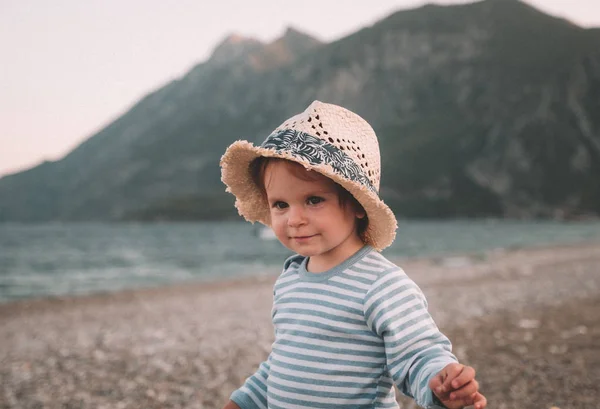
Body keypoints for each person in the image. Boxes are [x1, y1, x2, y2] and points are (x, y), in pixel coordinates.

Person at [219, 101, 487, 409]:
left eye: (314, 200)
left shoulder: (381, 284)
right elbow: (283, 364)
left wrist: (442, 383)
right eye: (280, 204)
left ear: (358, 204)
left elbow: (417, 354)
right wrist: (243, 401)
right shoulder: (290, 279)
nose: (293, 219)